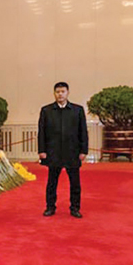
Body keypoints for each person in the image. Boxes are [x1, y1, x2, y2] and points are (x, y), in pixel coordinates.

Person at [38, 81, 88, 218]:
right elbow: (41, 132)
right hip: (53, 152)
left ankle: (75, 208)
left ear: (67, 93)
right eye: (58, 92)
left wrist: (84, 150)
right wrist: (41, 150)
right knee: (52, 182)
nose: (60, 94)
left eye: (63, 91)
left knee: (75, 183)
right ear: (54, 93)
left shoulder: (77, 110)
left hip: (72, 152)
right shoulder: (46, 111)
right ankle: (50, 207)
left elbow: (83, 131)